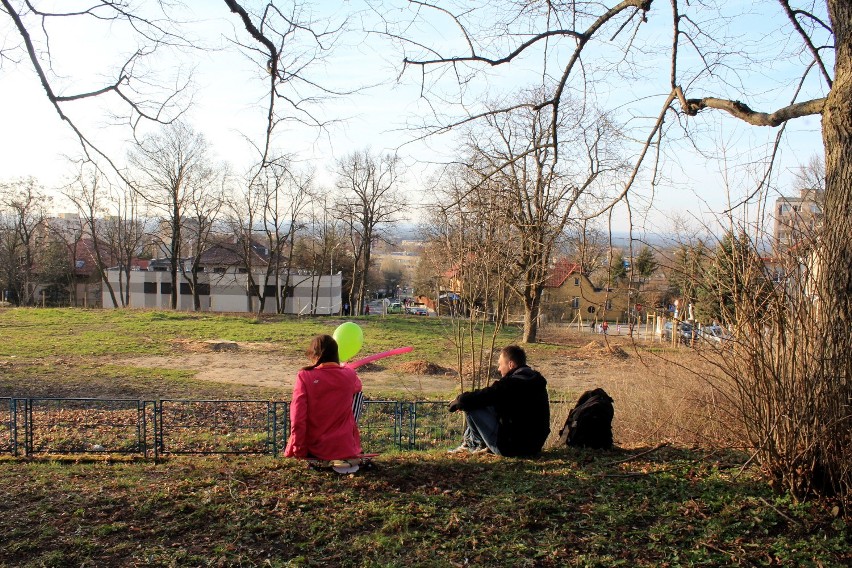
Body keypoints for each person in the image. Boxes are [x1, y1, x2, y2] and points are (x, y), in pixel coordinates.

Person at [448, 345, 550, 457]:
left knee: (470, 405)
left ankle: (474, 444)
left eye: (500, 364)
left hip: (510, 448)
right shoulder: (536, 382)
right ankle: (473, 442)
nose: (498, 368)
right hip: (533, 447)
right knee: (485, 404)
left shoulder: (509, 385)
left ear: (510, 364)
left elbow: (481, 396)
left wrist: (459, 401)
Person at [284, 334, 363, 461]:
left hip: (315, 449)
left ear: (315, 355)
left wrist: (299, 449)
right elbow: (358, 387)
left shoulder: (305, 376)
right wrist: (344, 368)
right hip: (345, 448)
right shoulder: (350, 375)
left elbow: (298, 417)